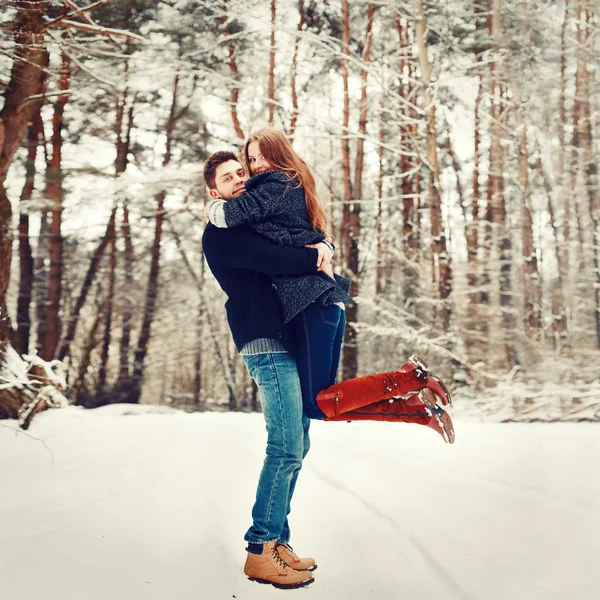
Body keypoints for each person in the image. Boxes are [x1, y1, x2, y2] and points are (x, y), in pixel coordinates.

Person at [205, 128, 454, 438]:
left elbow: (237, 216)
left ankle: (408, 379)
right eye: (252, 159)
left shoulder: (274, 185)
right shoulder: (291, 184)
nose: (257, 166)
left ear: (280, 154)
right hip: (322, 303)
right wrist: (325, 248)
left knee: (318, 404)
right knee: (325, 401)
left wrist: (213, 207)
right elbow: (306, 238)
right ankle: (418, 411)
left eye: (261, 158)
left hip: (311, 303)